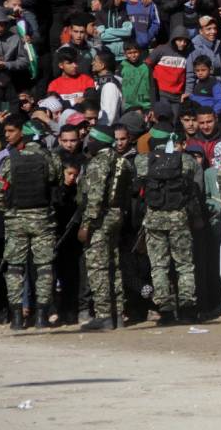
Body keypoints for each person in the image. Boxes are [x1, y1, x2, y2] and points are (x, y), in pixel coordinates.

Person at [0, 124, 64, 329]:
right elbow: (57, 183)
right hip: (43, 219)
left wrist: (8, 212)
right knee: (44, 268)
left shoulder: (10, 161)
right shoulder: (51, 159)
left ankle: (16, 318)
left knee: (15, 268)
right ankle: (42, 316)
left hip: (16, 220)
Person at [76, 124, 136, 330]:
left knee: (98, 266)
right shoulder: (122, 162)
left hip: (100, 220)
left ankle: (103, 315)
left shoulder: (98, 163)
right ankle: (117, 313)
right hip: (117, 216)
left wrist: (86, 225)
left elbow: (95, 197)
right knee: (114, 264)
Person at [140, 130, 202, 325]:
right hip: (179, 219)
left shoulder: (143, 161)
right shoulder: (186, 160)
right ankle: (188, 309)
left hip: (154, 219)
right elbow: (192, 184)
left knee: (159, 266)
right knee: (185, 265)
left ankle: (165, 311)